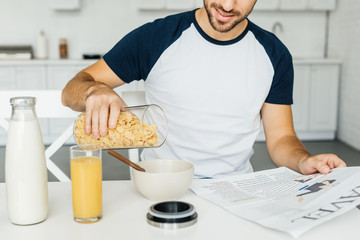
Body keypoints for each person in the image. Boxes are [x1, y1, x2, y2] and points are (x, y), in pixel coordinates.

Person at [62, 0, 346, 178]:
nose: (229, 5)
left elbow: (281, 137)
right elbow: (72, 89)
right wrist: (94, 91)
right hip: (160, 182)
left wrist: (304, 160)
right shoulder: (157, 37)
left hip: (234, 188)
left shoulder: (274, 53)